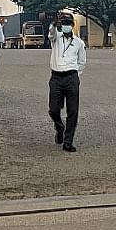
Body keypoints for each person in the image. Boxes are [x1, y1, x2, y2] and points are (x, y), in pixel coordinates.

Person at [48, 10, 87, 152]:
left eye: (67, 24)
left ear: (72, 25)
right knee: (53, 109)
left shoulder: (78, 43)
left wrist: (76, 75)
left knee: (73, 110)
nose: (65, 26)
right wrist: (54, 23)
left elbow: (82, 62)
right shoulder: (56, 38)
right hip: (56, 77)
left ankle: (68, 141)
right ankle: (59, 126)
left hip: (71, 77)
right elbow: (51, 33)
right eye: (63, 23)